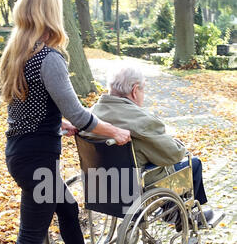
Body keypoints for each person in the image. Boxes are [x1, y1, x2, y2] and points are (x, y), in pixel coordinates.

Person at [0, 0, 131, 244]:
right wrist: (114, 132)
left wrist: (60, 125)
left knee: (68, 208)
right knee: (30, 236)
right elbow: (80, 111)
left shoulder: (19, 52)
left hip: (23, 153)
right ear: (49, 12)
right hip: (37, 161)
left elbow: (31, 110)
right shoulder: (49, 57)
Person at [85, 63, 213, 228]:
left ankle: (176, 211)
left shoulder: (91, 114)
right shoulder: (141, 121)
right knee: (192, 163)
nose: (143, 94)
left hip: (100, 185)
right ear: (134, 90)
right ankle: (186, 217)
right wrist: (179, 146)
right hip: (136, 188)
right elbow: (173, 154)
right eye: (143, 89)